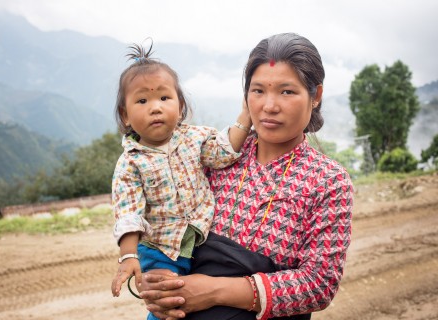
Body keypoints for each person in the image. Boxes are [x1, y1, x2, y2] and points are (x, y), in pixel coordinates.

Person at [138, 33, 354, 320]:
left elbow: (318, 284)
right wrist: (160, 278)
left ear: (315, 96)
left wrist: (214, 291)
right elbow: (166, 219)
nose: (269, 106)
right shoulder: (216, 156)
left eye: (287, 92)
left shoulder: (328, 180)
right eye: (258, 91)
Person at [110, 41, 252, 320]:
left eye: (164, 98)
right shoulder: (130, 163)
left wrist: (245, 118)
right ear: (126, 116)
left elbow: (223, 152)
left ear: (181, 105)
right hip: (160, 249)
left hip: (200, 240)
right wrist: (128, 256)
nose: (155, 108)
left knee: (198, 304)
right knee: (169, 304)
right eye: (142, 101)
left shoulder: (194, 138)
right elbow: (128, 212)